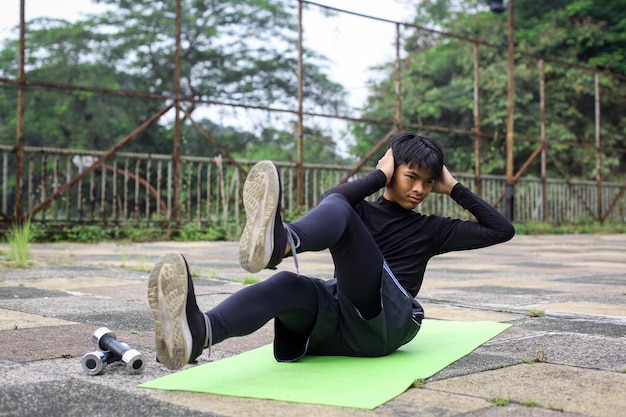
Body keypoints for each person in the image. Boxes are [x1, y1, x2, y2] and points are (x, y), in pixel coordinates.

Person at [147, 130, 515, 370]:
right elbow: (332, 201)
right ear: (391, 170)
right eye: (411, 176)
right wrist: (381, 175)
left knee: (340, 211)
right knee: (287, 286)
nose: (420, 189)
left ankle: (283, 240)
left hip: (387, 322)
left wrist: (453, 187)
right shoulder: (361, 210)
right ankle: (200, 333)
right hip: (340, 324)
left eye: (428, 182)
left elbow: (501, 230)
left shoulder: (432, 229)